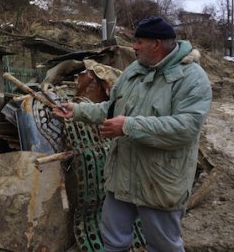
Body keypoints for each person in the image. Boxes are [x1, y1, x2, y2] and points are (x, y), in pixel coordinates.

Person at [53, 16, 212, 251]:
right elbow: (111, 110)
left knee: (163, 245)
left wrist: (128, 126)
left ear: (156, 44)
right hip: (122, 177)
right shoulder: (133, 72)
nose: (134, 46)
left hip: (158, 181)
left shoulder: (192, 79)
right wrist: (76, 110)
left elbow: (186, 128)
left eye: (138, 41)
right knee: (113, 242)